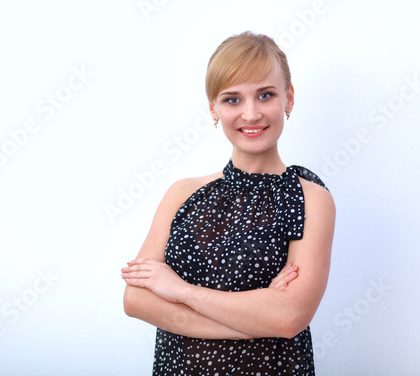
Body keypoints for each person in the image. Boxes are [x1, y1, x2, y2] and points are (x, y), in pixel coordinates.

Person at [121, 31, 336, 375]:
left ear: (289, 99)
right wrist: (252, 322)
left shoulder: (310, 198)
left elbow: (288, 316)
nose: (250, 114)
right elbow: (136, 301)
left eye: (265, 95)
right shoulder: (182, 193)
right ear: (213, 108)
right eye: (232, 99)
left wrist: (179, 291)